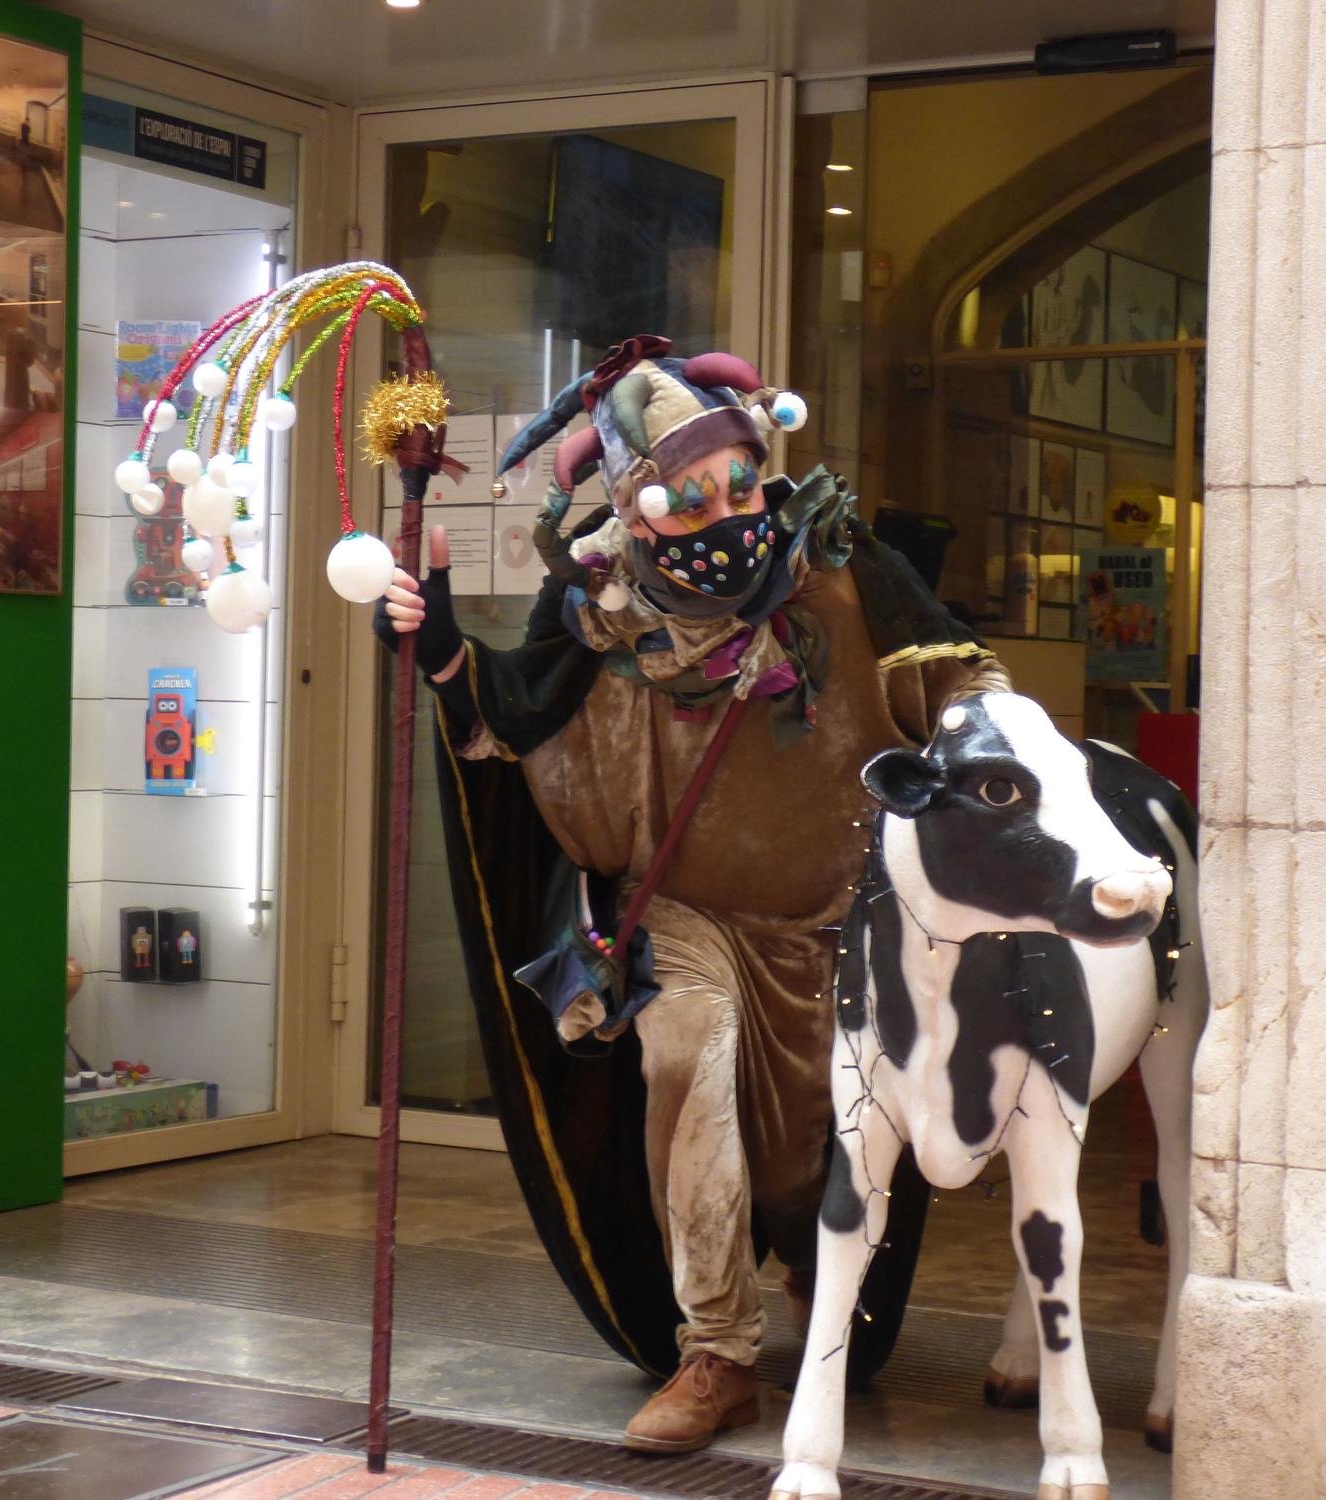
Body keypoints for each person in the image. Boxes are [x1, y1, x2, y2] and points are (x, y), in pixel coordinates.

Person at [379, 338, 1007, 1455]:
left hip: (846, 926)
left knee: (843, 1146)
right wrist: (429, 638)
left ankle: (826, 1318)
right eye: (686, 493)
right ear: (634, 505)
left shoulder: (843, 570)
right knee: (682, 1060)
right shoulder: (594, 605)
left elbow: (965, 684)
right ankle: (714, 1349)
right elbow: (506, 716)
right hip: (686, 919)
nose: (723, 509)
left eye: (738, 481)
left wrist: (989, 765)